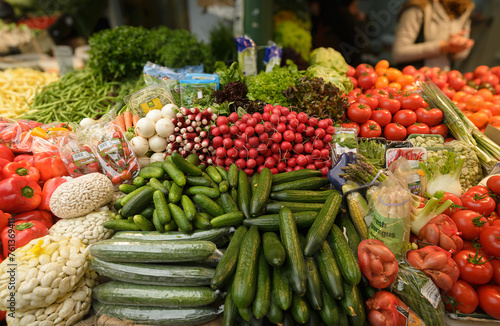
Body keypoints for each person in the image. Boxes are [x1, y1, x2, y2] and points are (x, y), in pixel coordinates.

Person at [392, 0, 475, 71]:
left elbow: (462, 55)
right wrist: (441, 46)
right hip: (412, 79)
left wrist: (460, 47)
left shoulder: (463, 8)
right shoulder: (418, 6)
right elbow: (399, 53)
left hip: (442, 80)